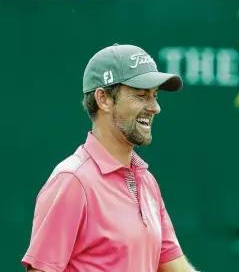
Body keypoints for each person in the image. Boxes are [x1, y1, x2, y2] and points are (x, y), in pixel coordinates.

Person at [21, 44, 199, 272]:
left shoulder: (147, 183)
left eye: (154, 96)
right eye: (141, 95)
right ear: (103, 99)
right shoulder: (72, 181)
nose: (155, 107)